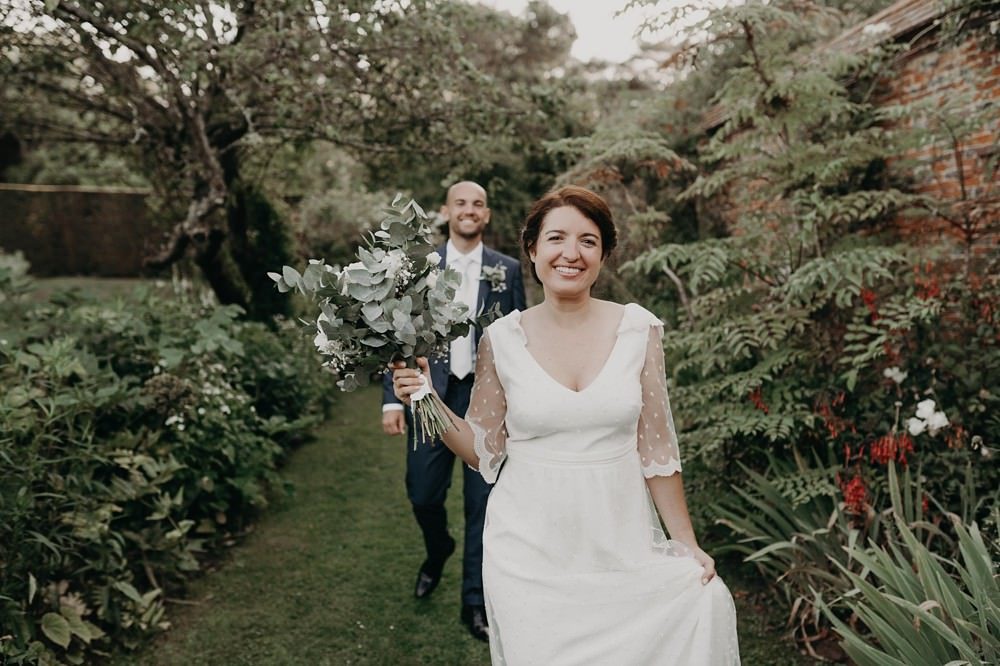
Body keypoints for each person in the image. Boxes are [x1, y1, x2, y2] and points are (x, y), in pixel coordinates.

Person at [391, 185, 740, 664]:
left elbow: (657, 450)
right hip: (527, 548)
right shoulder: (501, 338)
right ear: (533, 249)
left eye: (588, 241)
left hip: (619, 538)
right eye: (556, 238)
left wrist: (686, 544)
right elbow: (482, 449)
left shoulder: (639, 331)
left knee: (696, 605)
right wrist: (426, 396)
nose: (571, 254)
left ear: (604, 254)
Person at [381, 180, 526, 642]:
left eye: (478, 204)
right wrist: (392, 397)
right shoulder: (419, 268)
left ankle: (474, 603)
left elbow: (521, 335)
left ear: (486, 215)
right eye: (461, 203)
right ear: (447, 212)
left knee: (483, 506)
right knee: (423, 493)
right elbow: (396, 334)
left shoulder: (507, 269)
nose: (470, 210)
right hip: (430, 394)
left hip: (486, 400)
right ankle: (438, 547)